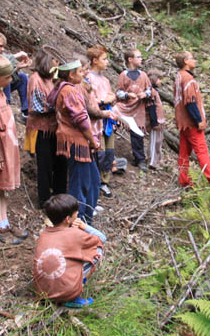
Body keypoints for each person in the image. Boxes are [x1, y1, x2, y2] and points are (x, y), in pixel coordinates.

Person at [0, 55, 29, 244]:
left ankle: (5, 222)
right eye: (7, 77)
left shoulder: (1, 93)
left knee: (3, 188)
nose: (11, 80)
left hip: (9, 148)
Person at [47, 60, 101, 224]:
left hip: (77, 141)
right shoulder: (69, 91)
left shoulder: (64, 88)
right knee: (80, 183)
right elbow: (81, 120)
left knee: (93, 180)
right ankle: (78, 220)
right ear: (71, 74)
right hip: (77, 143)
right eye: (80, 71)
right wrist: (92, 140)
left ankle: (86, 217)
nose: (83, 74)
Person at [32, 193, 106, 308]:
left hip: (42, 291)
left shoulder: (44, 234)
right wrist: (84, 226)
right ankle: (73, 297)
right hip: (66, 292)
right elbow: (102, 238)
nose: (78, 214)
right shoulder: (75, 234)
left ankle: (56, 292)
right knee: (97, 251)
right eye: (76, 213)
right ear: (68, 219)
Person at [174, 51, 210, 188]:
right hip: (191, 123)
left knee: (184, 153)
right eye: (192, 58)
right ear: (186, 61)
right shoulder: (188, 79)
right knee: (202, 151)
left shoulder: (179, 76)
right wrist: (199, 120)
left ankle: (184, 180)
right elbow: (190, 102)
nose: (195, 61)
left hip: (183, 123)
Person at [24, 50, 67, 207]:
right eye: (54, 60)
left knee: (61, 162)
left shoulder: (51, 79)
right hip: (41, 129)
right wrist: (61, 106)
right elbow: (38, 106)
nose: (57, 64)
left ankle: (60, 196)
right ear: (46, 61)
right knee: (45, 165)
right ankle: (45, 200)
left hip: (55, 128)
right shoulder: (35, 79)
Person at [86, 46, 118, 197]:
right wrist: (103, 100)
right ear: (95, 60)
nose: (107, 62)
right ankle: (95, 181)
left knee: (110, 152)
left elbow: (111, 95)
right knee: (100, 152)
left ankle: (105, 181)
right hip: (95, 121)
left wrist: (110, 99)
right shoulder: (88, 78)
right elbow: (90, 101)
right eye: (104, 59)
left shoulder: (105, 80)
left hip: (108, 121)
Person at [116, 48, 152, 171]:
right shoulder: (123, 75)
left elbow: (149, 89)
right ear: (130, 59)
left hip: (139, 108)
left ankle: (140, 159)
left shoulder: (143, 75)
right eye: (138, 57)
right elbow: (119, 91)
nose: (141, 59)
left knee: (138, 133)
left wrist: (145, 94)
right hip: (126, 107)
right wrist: (127, 95)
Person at [147, 69, 166, 170]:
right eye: (159, 79)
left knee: (159, 141)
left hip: (160, 121)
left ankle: (157, 159)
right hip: (156, 121)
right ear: (153, 79)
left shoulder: (155, 91)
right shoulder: (151, 92)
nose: (160, 81)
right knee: (154, 141)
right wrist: (154, 123)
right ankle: (152, 161)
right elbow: (151, 108)